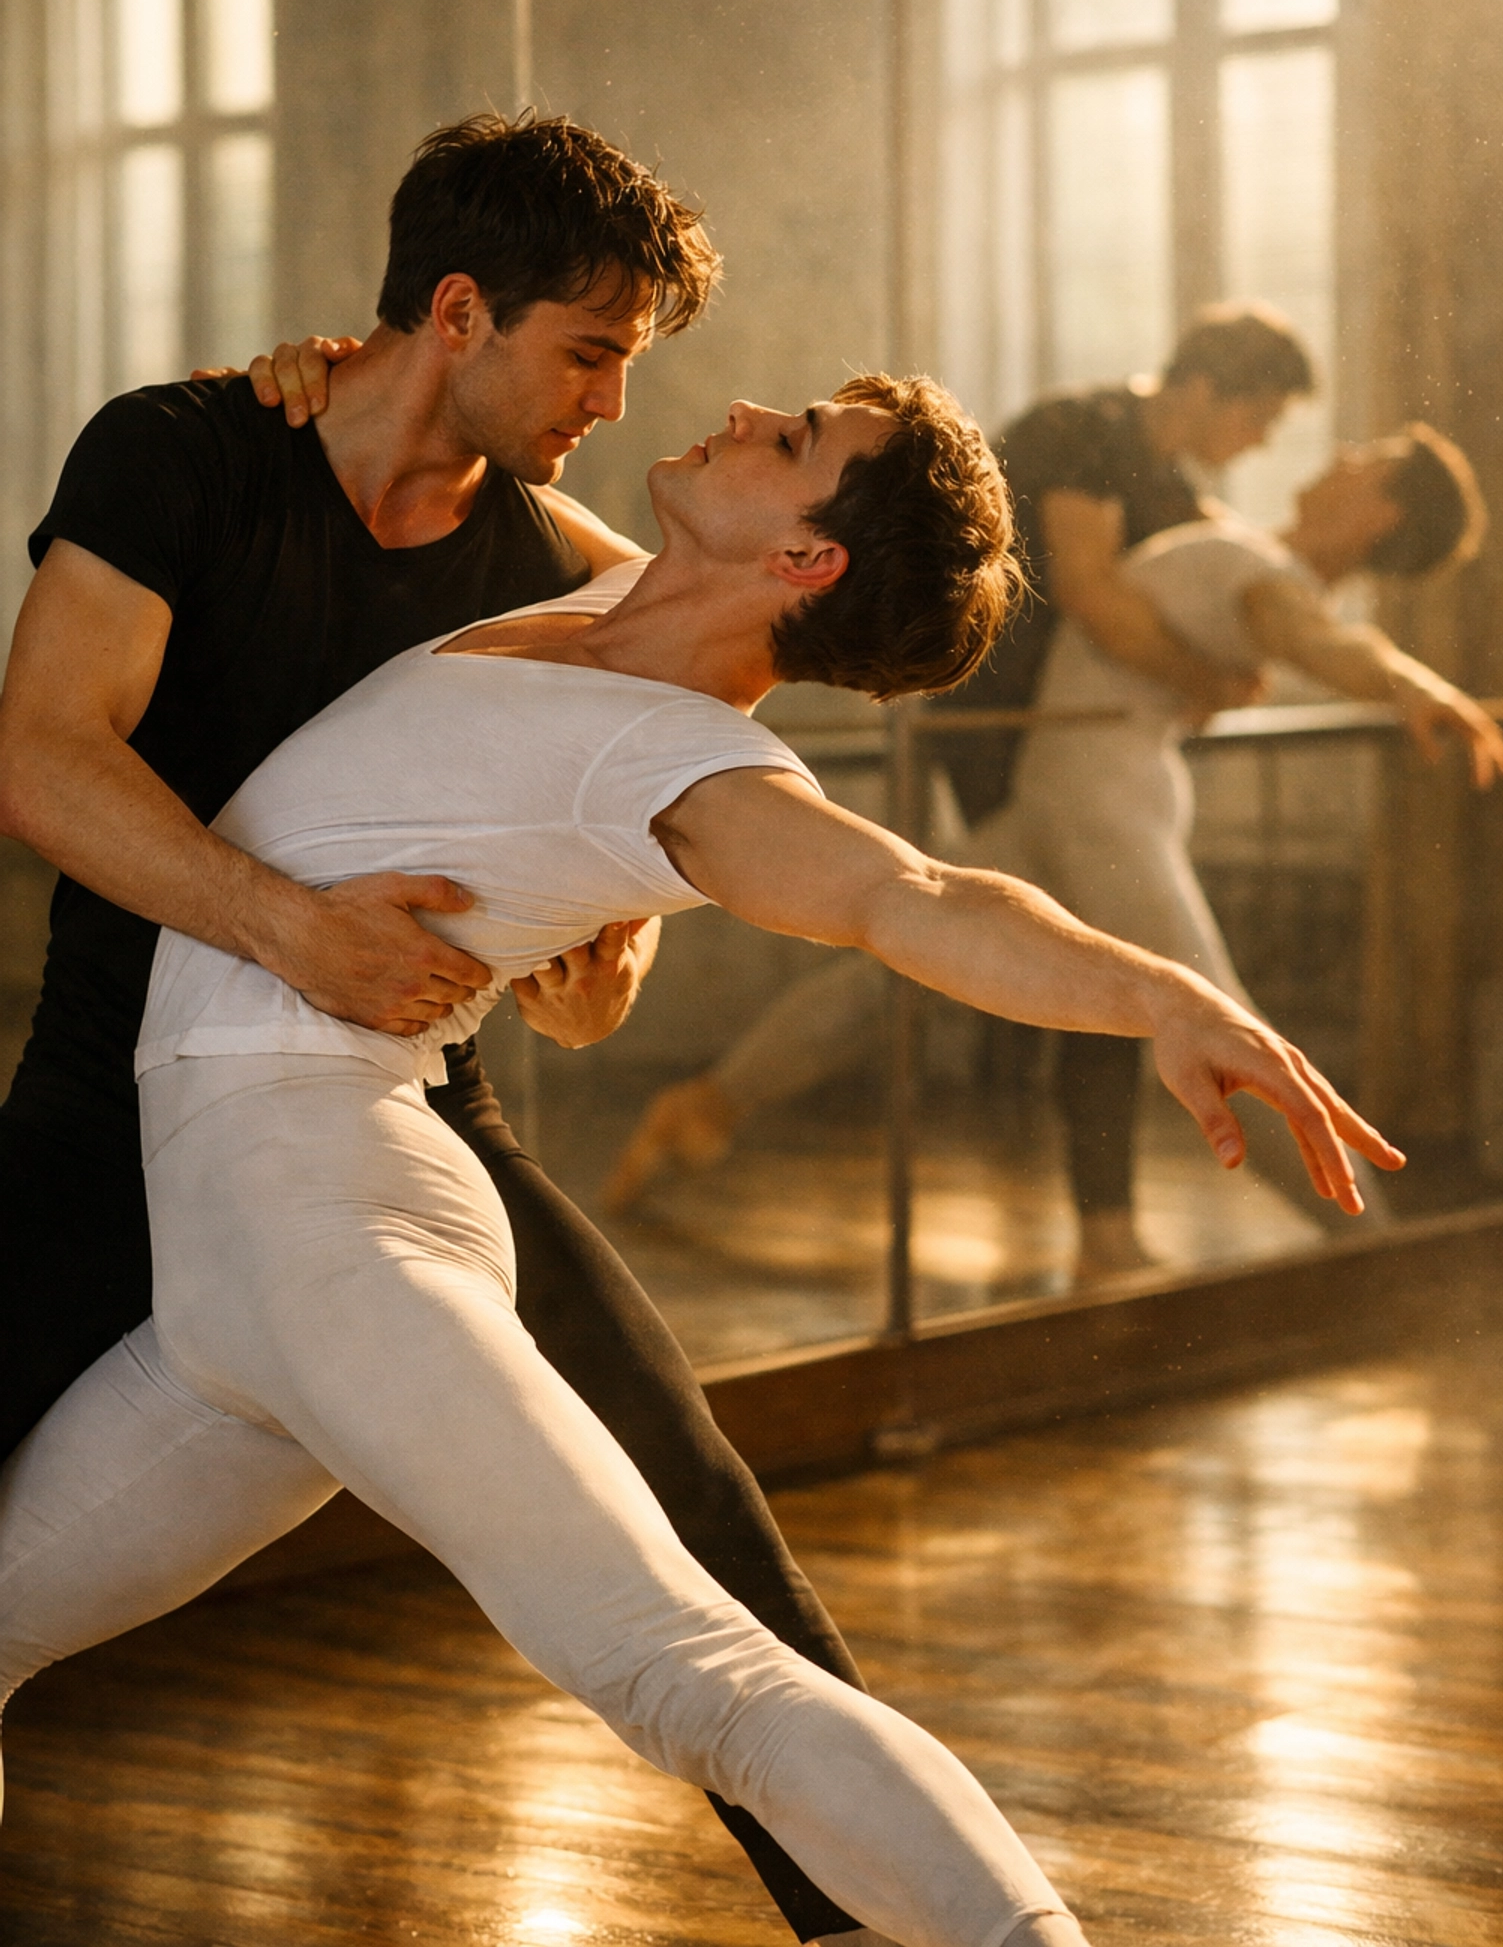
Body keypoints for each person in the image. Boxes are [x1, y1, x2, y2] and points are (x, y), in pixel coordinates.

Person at [0, 375, 1400, 1947]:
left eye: (793, 440)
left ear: (805, 562)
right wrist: (334, 369)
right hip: (238, 1265)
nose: (745, 408)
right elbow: (442, 444)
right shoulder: (596, 589)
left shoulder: (680, 765)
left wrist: (1162, 994)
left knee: (697, 1677)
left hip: (329, 1217)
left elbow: (911, 893)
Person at [0, 110, 891, 1946]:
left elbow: (606, 948)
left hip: (406, 1116)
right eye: (590, 350)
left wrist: (586, 960)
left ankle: (871, 1920)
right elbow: (40, 749)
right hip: (111, 1100)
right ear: (460, 307)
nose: (617, 399)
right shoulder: (180, 453)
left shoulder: (563, 575)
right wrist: (286, 923)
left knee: (700, 1514)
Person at [606, 426, 1503, 1273]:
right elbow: (1301, 633)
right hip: (1090, 803)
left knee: (907, 965)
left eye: (1369, 458)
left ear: (1383, 511)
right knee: (1203, 1014)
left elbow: (1314, 634)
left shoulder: (1263, 572)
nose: (1343, 456)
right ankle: (1376, 1249)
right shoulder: (1244, 555)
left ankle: (710, 1103)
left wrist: (1404, 684)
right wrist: (1396, 680)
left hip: (1089, 799)